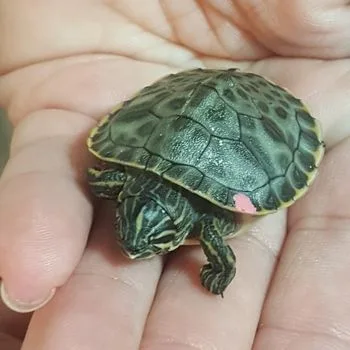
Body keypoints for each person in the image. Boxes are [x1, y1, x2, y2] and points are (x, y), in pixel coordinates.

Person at [0, 1, 349, 349]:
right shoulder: (192, 220)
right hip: (175, 124)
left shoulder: (211, 222)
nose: (131, 243)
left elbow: (102, 178)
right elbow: (101, 179)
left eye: (149, 239)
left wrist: (220, 270)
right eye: (124, 224)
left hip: (264, 112)